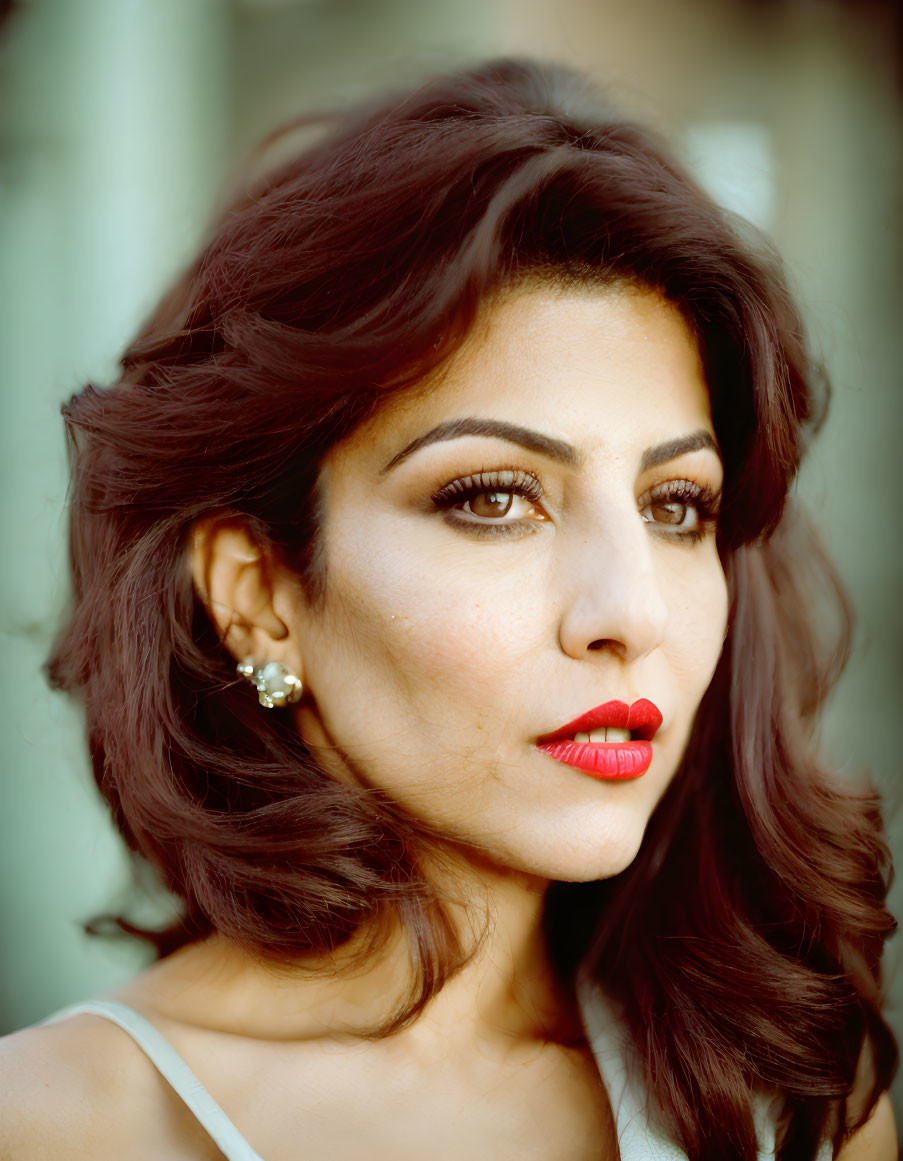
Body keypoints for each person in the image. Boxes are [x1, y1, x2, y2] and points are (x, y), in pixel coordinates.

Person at [0, 58, 896, 1161]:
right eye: (493, 499)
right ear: (260, 595)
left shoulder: (789, 1097)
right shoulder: (52, 1126)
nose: (630, 614)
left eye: (677, 506)